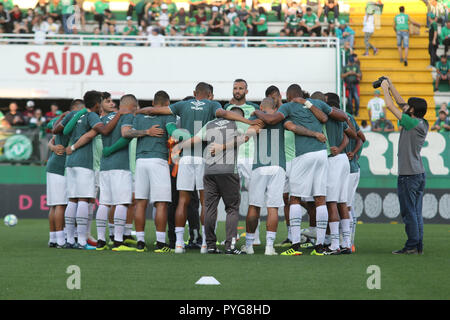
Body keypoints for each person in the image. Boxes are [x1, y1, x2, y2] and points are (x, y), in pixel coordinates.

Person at [137, 82, 260, 254]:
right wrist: (247, 120)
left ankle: (179, 244)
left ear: (194, 93)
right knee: (206, 203)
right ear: (210, 95)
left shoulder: (182, 105)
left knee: (183, 200)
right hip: (205, 158)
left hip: (186, 157)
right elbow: (224, 113)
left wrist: (139, 111)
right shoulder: (213, 105)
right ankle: (205, 244)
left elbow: (153, 110)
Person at [253, 84, 330, 256]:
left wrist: (257, 112)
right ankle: (320, 246)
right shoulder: (313, 104)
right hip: (322, 153)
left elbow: (275, 121)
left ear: (288, 95)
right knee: (320, 198)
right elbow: (326, 118)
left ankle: (295, 245)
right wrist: (317, 134)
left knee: (294, 197)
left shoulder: (288, 106)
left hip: (303, 155)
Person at [53, 90, 129, 249]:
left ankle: (69, 239)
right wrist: (118, 115)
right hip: (84, 162)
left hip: (70, 161)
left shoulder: (76, 115)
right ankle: (81, 241)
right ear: (96, 104)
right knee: (83, 199)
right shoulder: (91, 116)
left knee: (72, 200)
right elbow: (105, 130)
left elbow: (58, 130)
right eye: (101, 101)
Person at [177, 106, 248, 254]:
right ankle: (230, 246)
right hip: (228, 170)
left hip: (209, 170)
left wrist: (177, 147)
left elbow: (194, 140)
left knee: (209, 208)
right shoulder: (237, 123)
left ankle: (210, 245)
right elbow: (244, 138)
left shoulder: (209, 124)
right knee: (232, 208)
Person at [380, 77, 428, 255]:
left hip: (408, 175)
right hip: (418, 173)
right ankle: (418, 245)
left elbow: (392, 107)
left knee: (409, 213)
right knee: (416, 213)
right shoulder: (420, 122)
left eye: (409, 106)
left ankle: (412, 245)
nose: (405, 106)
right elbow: (400, 104)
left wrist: (385, 89)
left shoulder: (411, 123)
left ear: (413, 110)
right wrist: (391, 84)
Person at [241, 97, 288, 256]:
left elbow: (248, 134)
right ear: (276, 107)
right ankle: (269, 247)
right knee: (272, 207)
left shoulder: (256, 117)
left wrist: (253, 126)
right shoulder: (281, 116)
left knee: (254, 206)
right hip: (278, 166)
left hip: (259, 166)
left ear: (261, 106)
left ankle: (249, 246)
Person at [224, 79, 261, 245]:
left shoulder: (253, 108)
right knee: (232, 198)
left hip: (250, 156)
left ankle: (255, 235)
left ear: (247, 91)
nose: (237, 91)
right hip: (232, 156)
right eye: (235, 88)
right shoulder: (226, 108)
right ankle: (232, 235)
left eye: (240, 88)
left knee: (255, 196)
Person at [46, 99, 85, 248]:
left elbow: (51, 127)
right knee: (62, 204)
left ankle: (53, 238)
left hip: (53, 164)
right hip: (61, 166)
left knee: (55, 206)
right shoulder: (77, 122)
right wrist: (52, 145)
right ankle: (62, 240)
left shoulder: (61, 120)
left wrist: (51, 145)